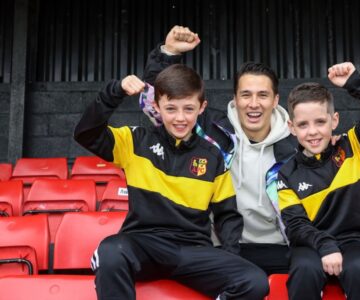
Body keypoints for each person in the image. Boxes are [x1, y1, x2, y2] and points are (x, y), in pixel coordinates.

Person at [74, 64, 269, 300]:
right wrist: (115, 91)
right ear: (156, 107)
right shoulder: (135, 142)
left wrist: (229, 259)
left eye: (188, 109)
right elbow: (86, 133)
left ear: (201, 108)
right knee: (110, 251)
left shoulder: (213, 156)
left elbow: (226, 216)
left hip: (193, 250)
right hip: (144, 245)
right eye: (171, 108)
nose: (180, 118)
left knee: (255, 281)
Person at [142, 25, 299, 275]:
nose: (254, 104)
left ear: (276, 100)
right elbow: (157, 105)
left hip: (281, 247)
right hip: (223, 247)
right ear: (235, 99)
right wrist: (167, 54)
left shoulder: (297, 144)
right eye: (245, 95)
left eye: (263, 95)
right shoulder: (213, 131)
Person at [275, 62, 360, 299]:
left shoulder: (354, 146)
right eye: (303, 124)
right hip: (311, 245)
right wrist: (326, 246)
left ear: (334, 120)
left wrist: (355, 82)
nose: (312, 132)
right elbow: (297, 226)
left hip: (357, 242)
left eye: (320, 122)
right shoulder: (287, 173)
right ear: (291, 128)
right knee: (304, 269)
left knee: (359, 269)